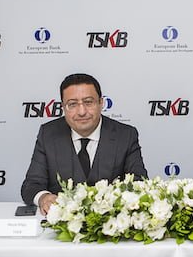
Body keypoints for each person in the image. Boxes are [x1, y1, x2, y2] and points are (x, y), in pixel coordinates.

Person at [21, 73, 147, 214]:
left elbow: (139, 184)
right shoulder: (48, 134)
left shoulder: (125, 135)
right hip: (61, 222)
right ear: (63, 107)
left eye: (88, 102)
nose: (81, 112)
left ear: (101, 103)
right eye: (72, 104)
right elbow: (31, 185)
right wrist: (43, 198)